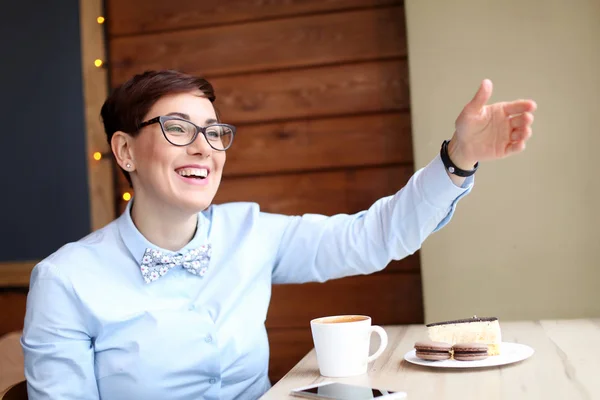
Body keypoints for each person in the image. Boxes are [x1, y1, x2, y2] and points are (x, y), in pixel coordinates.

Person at [21, 70, 536, 399]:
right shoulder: (65, 280)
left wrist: (458, 158)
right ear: (125, 152)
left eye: (214, 132)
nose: (204, 148)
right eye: (177, 128)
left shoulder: (252, 231)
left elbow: (372, 238)